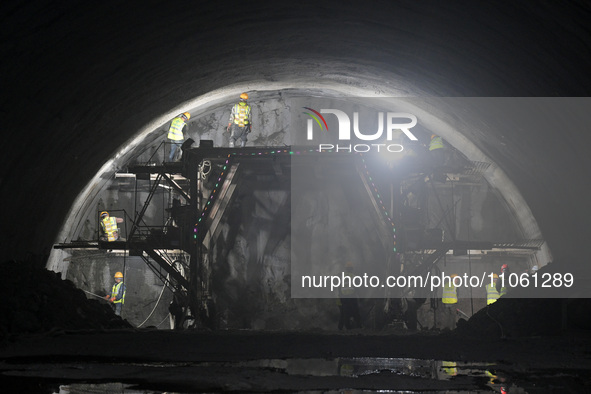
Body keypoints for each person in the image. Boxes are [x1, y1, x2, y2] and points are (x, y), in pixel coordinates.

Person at [338, 261, 362, 330]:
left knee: (346, 313)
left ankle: (348, 328)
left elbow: (339, 287)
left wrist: (340, 296)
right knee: (356, 311)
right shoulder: (353, 276)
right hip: (351, 296)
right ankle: (359, 326)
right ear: (352, 269)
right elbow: (356, 287)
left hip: (344, 297)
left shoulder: (342, 276)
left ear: (346, 269)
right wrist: (360, 296)